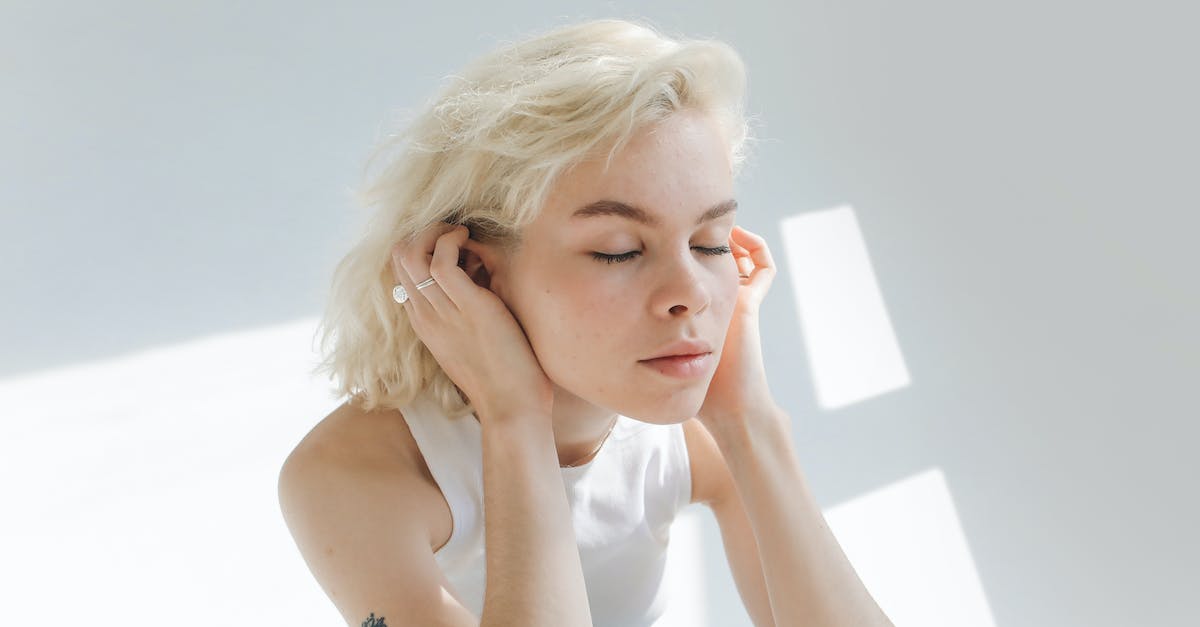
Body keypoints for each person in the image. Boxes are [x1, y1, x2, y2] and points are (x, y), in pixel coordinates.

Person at [277, 18, 893, 627]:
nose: (690, 295)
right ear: (472, 272)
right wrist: (514, 418)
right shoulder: (354, 474)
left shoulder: (691, 425)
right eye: (619, 250)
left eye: (709, 243)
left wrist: (747, 419)